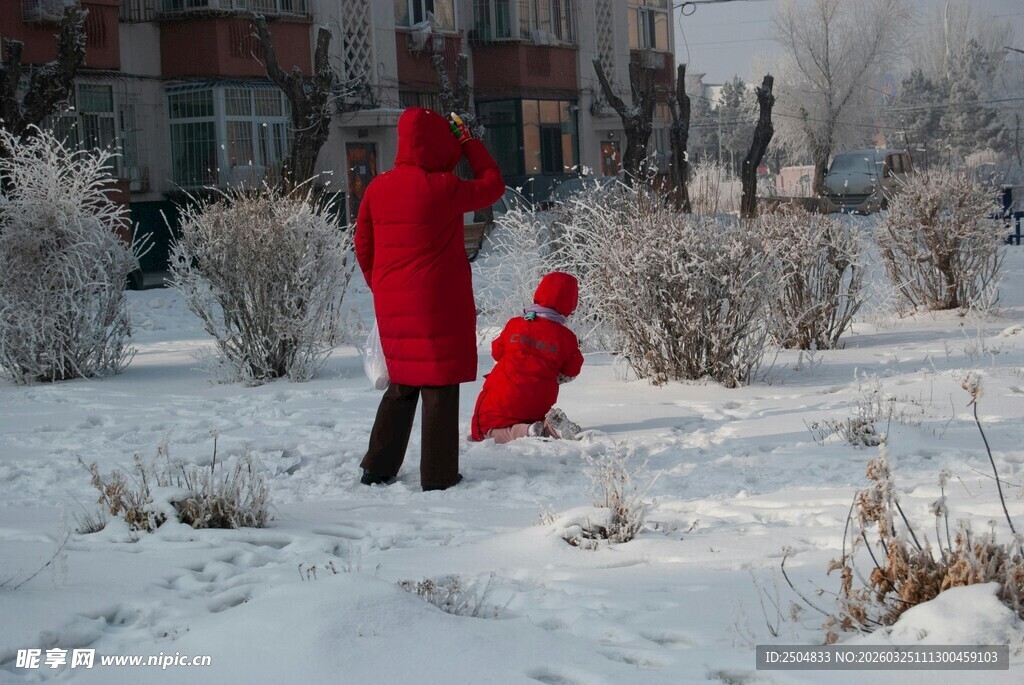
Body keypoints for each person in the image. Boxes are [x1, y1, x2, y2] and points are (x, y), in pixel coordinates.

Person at [355, 108, 504, 491]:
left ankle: (378, 468)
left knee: (402, 383)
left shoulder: (377, 188)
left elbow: (363, 244)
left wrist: (382, 287)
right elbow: (492, 185)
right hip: (440, 302)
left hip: (394, 302)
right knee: (439, 385)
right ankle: (438, 476)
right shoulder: (443, 187)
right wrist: (468, 141)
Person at [470, 272, 584, 444]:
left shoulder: (516, 324)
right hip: (538, 404)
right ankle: (547, 427)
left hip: (502, 400)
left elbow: (496, 352)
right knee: (529, 416)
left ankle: (529, 431)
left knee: (482, 430)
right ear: (571, 305)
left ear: (539, 293)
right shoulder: (567, 338)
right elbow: (572, 370)